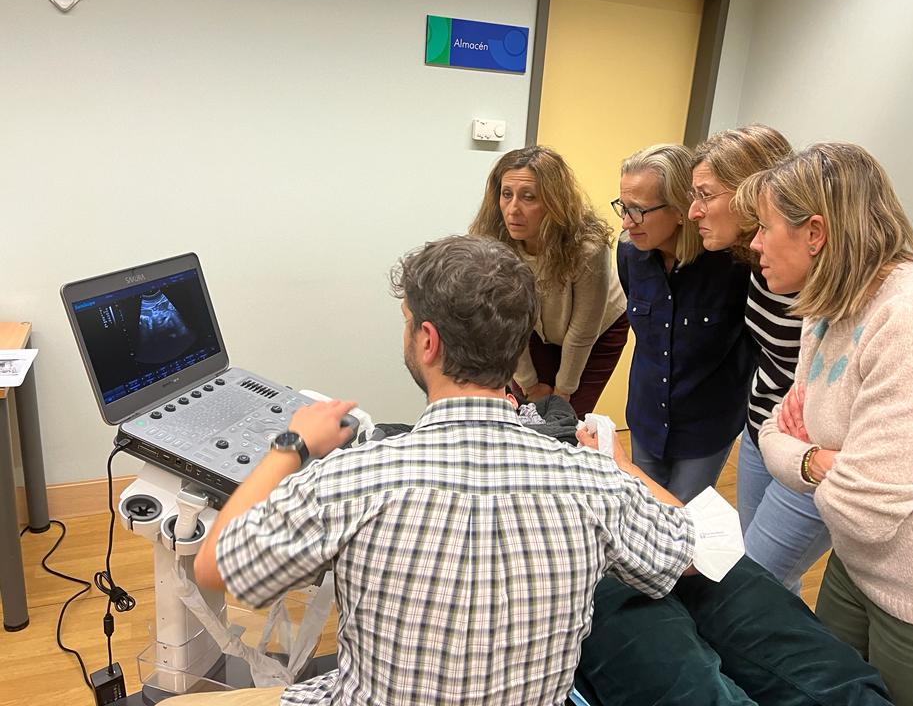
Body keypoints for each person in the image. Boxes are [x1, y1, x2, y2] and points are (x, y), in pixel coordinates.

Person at [187, 234, 698, 706]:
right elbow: (687, 548)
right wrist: (621, 465)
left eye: (407, 320)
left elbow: (214, 567)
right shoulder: (594, 484)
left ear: (427, 340)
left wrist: (291, 445)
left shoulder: (353, 479)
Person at [735, 142, 913, 705]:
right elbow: (776, 428)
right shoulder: (828, 305)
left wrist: (814, 460)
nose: (754, 243)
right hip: (858, 569)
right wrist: (820, 461)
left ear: (814, 232)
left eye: (765, 227)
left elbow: (864, 512)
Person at [688, 125, 913, 593]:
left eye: (705, 195)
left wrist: (866, 424)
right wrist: (787, 437)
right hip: (767, 433)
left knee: (750, 579)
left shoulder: (887, 295)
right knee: (766, 580)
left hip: (823, 449)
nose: (694, 209)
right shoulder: (754, 260)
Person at [614, 143, 755, 503]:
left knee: (685, 521)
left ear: (680, 209)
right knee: (644, 515)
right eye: (623, 208)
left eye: (639, 211)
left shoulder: (734, 265)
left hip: (706, 428)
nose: (627, 222)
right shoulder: (630, 254)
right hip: (646, 419)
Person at [469, 146, 628, 417]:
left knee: (563, 419)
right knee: (525, 411)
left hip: (597, 332)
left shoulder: (588, 247)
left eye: (528, 197)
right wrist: (529, 385)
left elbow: (582, 330)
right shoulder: (496, 242)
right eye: (506, 195)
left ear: (554, 201)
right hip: (529, 328)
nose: (513, 209)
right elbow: (505, 322)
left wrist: (563, 391)